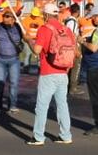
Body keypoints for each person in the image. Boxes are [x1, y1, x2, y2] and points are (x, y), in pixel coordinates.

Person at [26, 8, 76, 146]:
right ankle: (66, 135)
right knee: (62, 105)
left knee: (42, 106)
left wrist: (28, 41)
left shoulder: (45, 29)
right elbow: (76, 52)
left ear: (46, 15)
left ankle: (38, 137)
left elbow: (36, 50)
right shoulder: (67, 29)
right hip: (63, 72)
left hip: (48, 72)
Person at [0, 8, 24, 114]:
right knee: (0, 83)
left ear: (13, 19)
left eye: (8, 16)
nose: (5, 18)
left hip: (14, 60)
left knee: (14, 83)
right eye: (4, 16)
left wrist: (33, 46)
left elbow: (26, 38)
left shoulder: (18, 27)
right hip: (0, 59)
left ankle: (12, 105)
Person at [65, 4, 85, 95]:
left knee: (71, 67)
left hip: (69, 47)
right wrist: (76, 49)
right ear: (77, 12)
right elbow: (72, 36)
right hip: (73, 47)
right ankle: (73, 88)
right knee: (76, 68)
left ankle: (69, 87)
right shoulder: (72, 22)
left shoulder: (68, 20)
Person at [20, 7, 43, 74]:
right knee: (28, 54)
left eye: (36, 15)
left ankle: (40, 70)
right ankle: (26, 69)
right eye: (34, 15)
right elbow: (23, 30)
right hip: (28, 41)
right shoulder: (26, 20)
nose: (35, 16)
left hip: (37, 40)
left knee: (39, 55)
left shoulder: (40, 20)